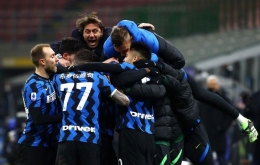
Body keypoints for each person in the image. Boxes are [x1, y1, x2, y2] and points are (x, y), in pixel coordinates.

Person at [103, 20, 258, 144]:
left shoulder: (148, 41)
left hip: (168, 66)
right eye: (119, 52)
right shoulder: (110, 48)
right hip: (147, 71)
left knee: (199, 93)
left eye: (125, 51)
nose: (123, 55)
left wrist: (157, 68)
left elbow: (179, 61)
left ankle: (241, 119)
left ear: (131, 38)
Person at [52, 49, 130, 165]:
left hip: (66, 139)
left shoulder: (59, 78)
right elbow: (124, 101)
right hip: (89, 139)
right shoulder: (97, 77)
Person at [17, 44, 62, 165]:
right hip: (34, 145)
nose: (56, 59)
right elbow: (38, 118)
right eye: (52, 56)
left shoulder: (49, 80)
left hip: (49, 144)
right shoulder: (33, 85)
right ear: (42, 61)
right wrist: (65, 116)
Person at [199, 75, 233, 165]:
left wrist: (222, 127)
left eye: (214, 84)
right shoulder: (203, 98)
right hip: (207, 133)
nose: (213, 86)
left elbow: (229, 116)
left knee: (221, 158)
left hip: (218, 134)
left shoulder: (223, 98)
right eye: (211, 84)